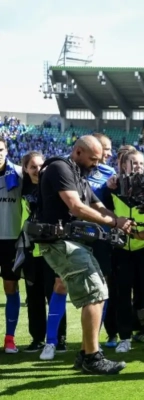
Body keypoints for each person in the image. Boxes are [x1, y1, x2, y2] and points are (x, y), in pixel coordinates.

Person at [36, 135, 132, 374]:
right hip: (60, 242)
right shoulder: (60, 168)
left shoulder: (79, 174)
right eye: (93, 159)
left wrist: (122, 222)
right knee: (94, 294)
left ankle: (85, 353)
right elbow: (76, 207)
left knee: (100, 292)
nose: (96, 164)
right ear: (78, 152)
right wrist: (114, 222)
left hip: (72, 242)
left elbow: (97, 205)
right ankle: (92, 358)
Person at [105, 150, 144, 353]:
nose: (138, 166)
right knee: (122, 296)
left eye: (141, 163)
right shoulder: (113, 188)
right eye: (134, 163)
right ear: (123, 165)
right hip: (121, 250)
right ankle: (124, 338)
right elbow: (106, 216)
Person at [19, 152, 69, 359]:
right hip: (31, 250)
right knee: (34, 297)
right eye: (33, 166)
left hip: (52, 248)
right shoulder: (20, 188)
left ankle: (59, 338)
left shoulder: (52, 185)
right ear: (25, 169)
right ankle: (37, 338)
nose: (37, 170)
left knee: (55, 293)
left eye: (41, 165)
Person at [87, 133, 119, 348]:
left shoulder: (110, 173)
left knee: (102, 286)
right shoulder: (74, 170)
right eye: (105, 148)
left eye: (109, 149)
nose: (108, 153)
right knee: (61, 286)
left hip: (102, 237)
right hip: (77, 235)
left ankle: (97, 337)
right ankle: (55, 341)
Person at [0, 137, 23, 354]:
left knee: (11, 287)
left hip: (11, 240)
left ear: (6, 150)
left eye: (0, 149)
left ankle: (9, 339)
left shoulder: (18, 173)